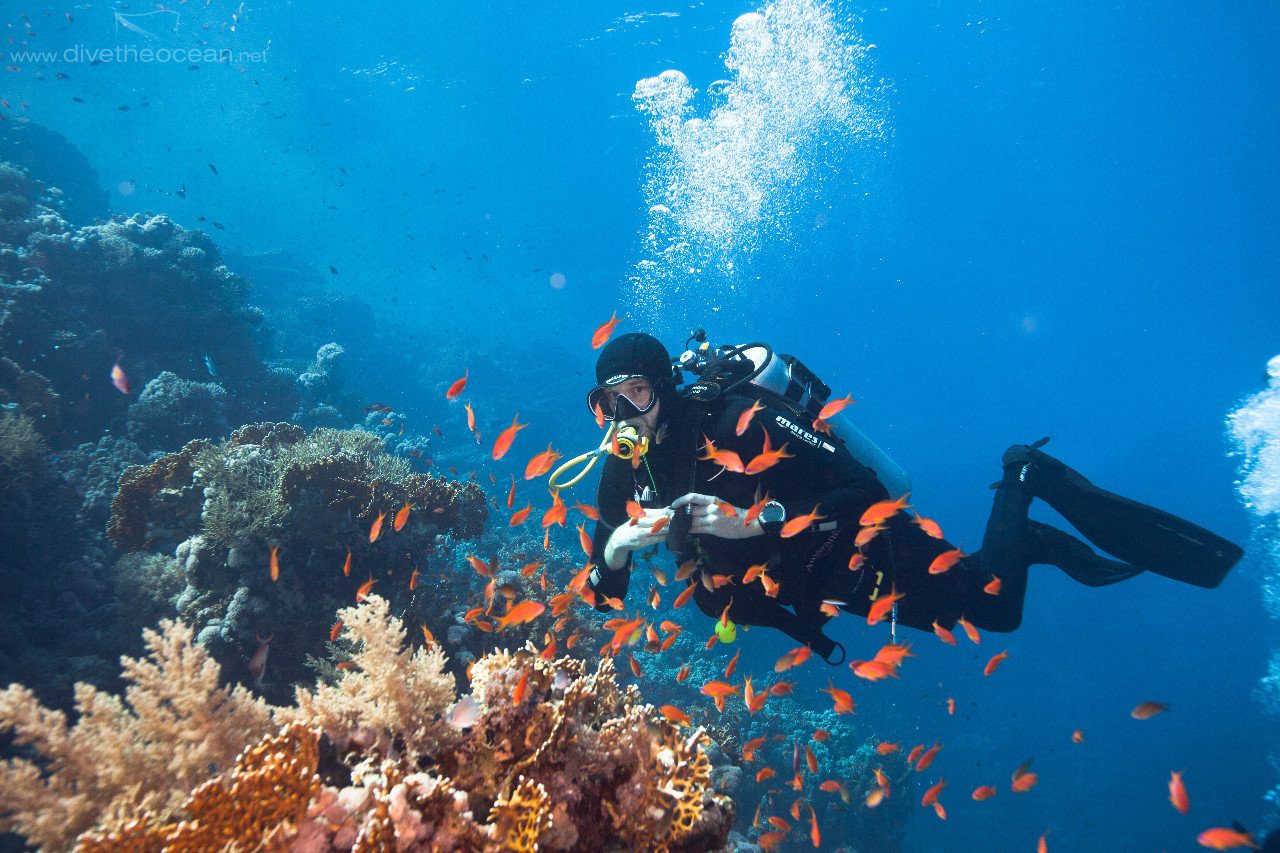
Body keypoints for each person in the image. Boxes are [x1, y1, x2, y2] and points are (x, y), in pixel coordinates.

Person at [585, 332, 1244, 664]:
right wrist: (614, 545)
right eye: (605, 402)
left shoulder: (739, 421)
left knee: (999, 611)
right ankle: (1032, 539)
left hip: (872, 548)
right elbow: (604, 594)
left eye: (634, 394)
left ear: (665, 386)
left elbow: (861, 486)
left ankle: (1023, 479)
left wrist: (755, 521)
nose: (621, 415)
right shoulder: (627, 465)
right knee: (993, 605)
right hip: (828, 588)